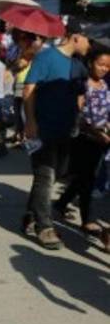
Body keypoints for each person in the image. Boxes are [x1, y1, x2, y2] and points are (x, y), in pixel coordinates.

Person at [22, 18, 91, 249]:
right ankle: (44, 226)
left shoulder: (79, 66)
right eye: (87, 40)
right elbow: (29, 88)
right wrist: (30, 122)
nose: (89, 45)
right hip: (44, 128)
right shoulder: (46, 57)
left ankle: (31, 216)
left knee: (58, 173)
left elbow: (80, 97)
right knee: (45, 176)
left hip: (66, 130)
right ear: (75, 36)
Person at [55, 45, 110, 233]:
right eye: (101, 64)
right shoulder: (82, 83)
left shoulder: (105, 86)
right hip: (83, 137)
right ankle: (88, 219)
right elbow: (78, 114)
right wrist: (97, 133)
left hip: (101, 139)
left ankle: (61, 204)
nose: (104, 68)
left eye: (108, 66)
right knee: (87, 178)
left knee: (83, 177)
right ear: (91, 63)